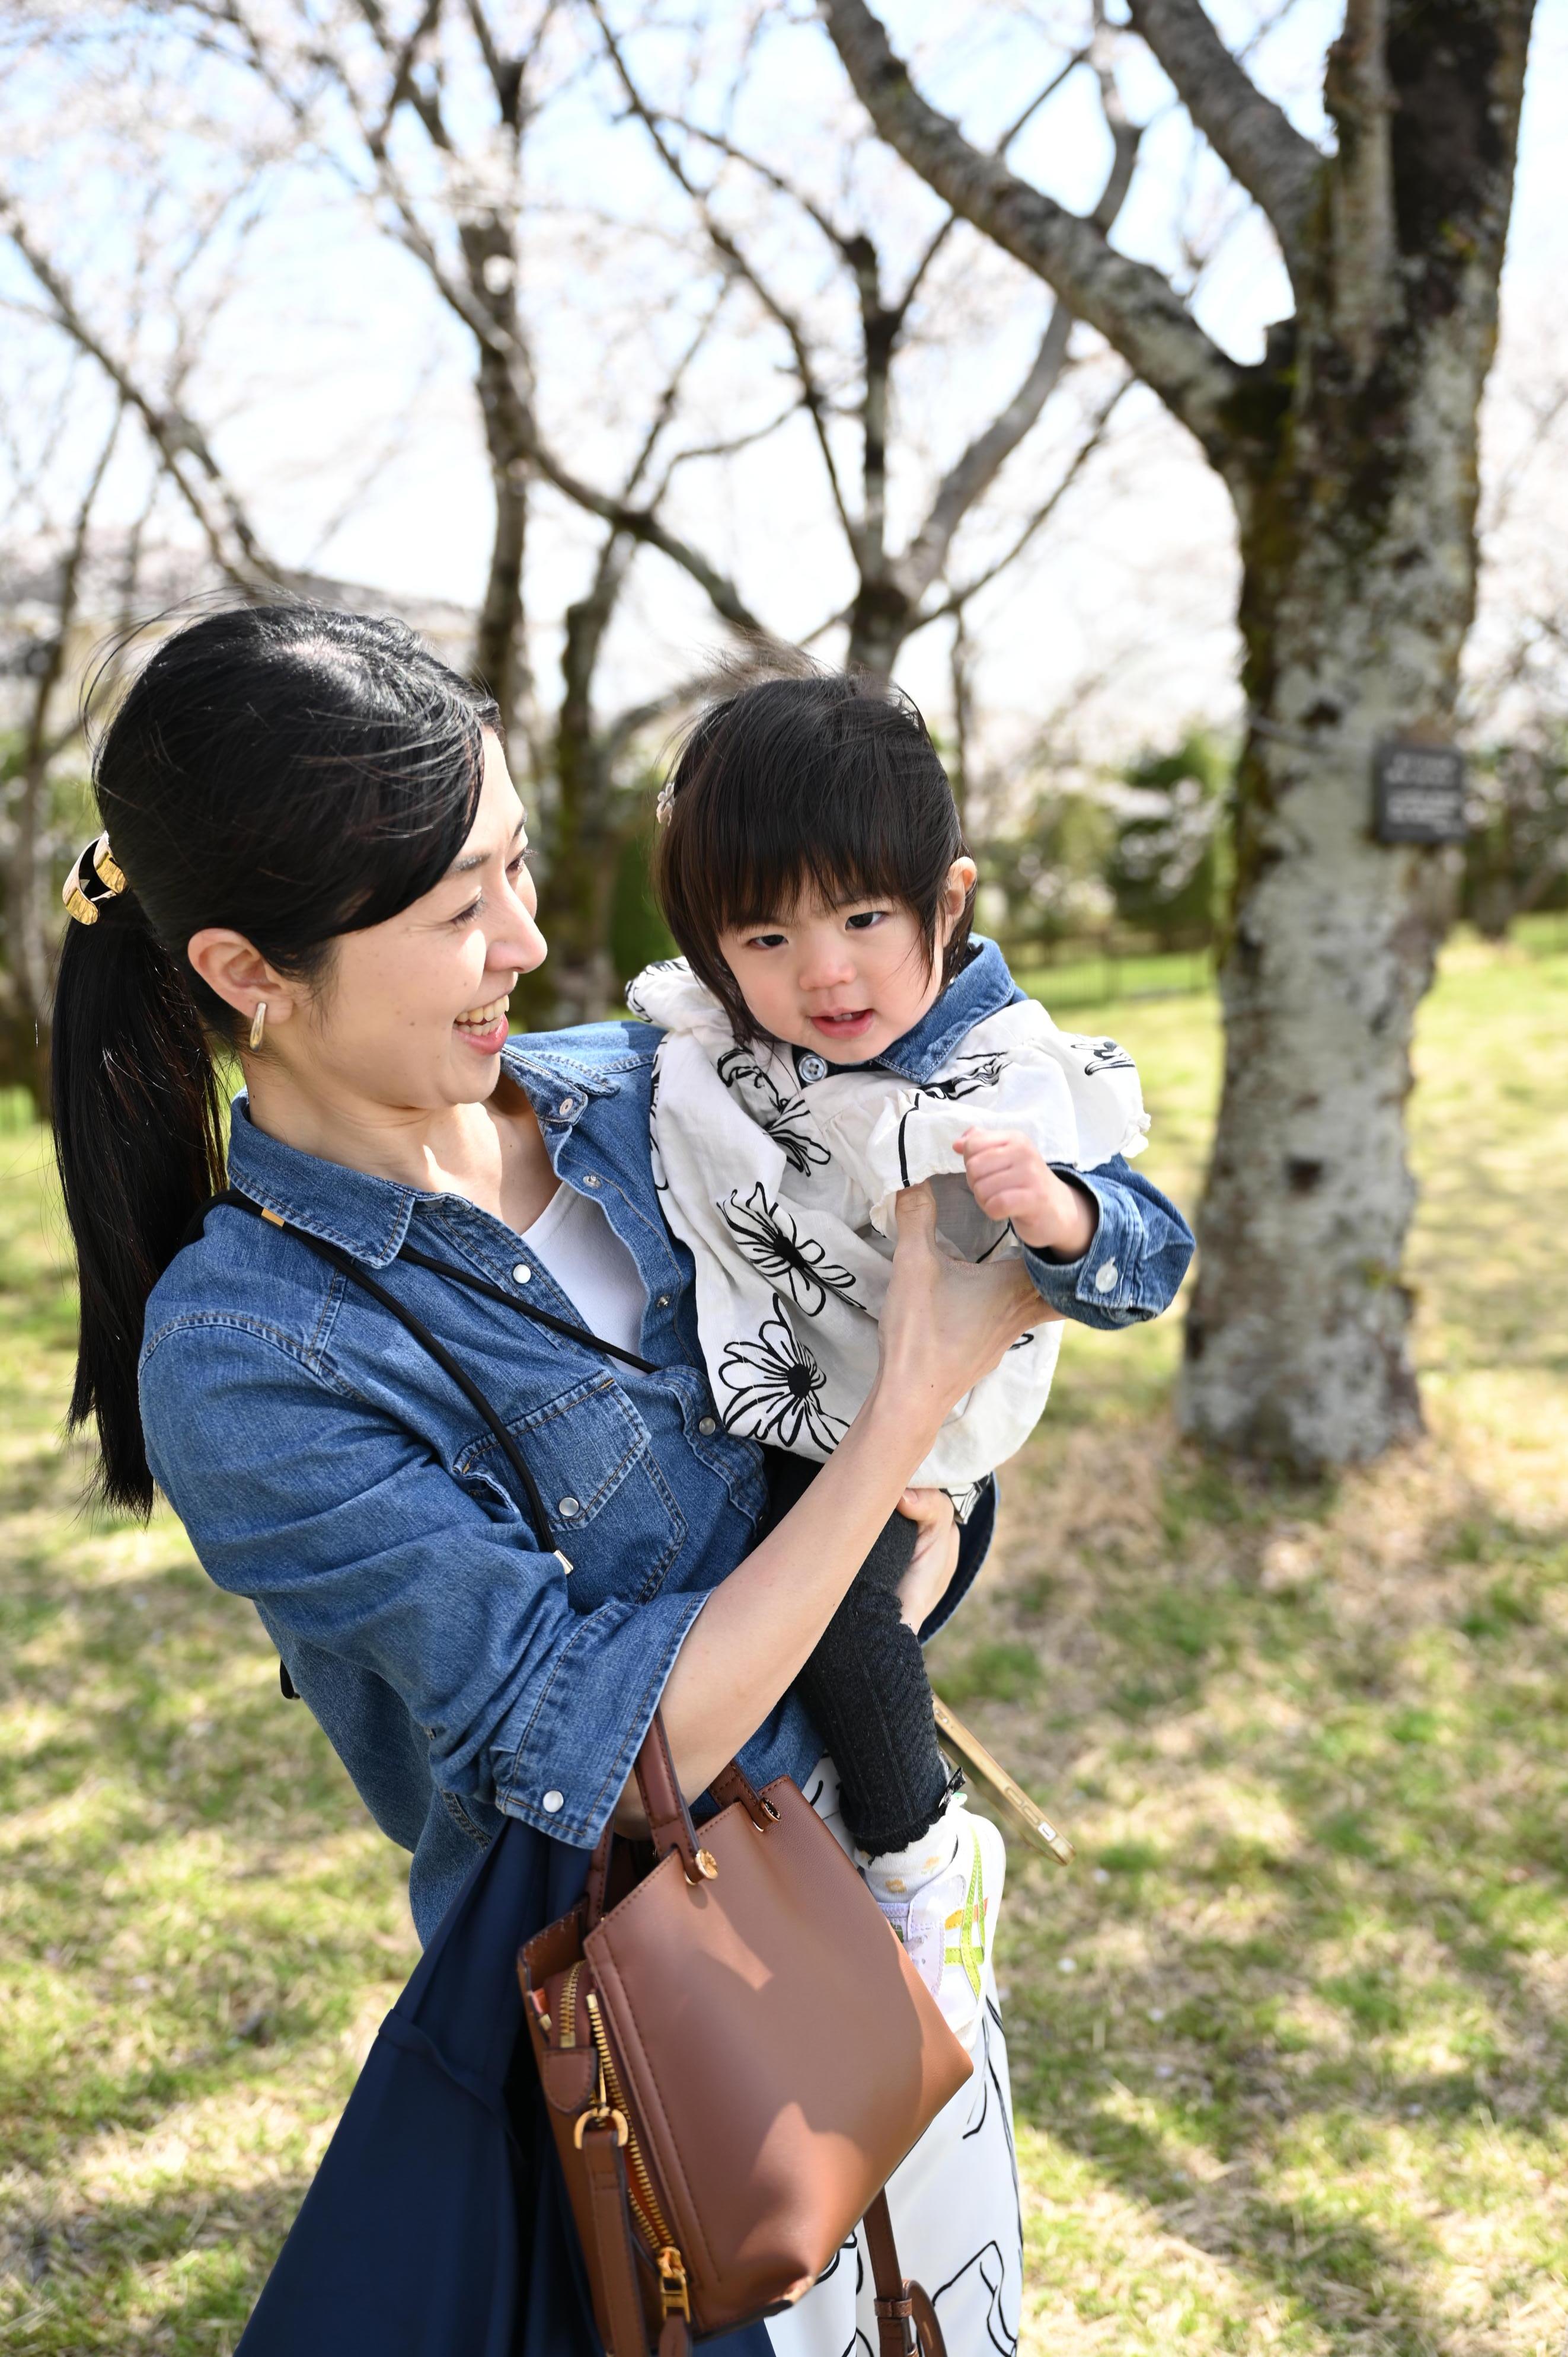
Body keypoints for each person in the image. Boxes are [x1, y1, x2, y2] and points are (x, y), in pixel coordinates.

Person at [49, 603, 1081, 2356]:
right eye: (458, 911)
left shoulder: (654, 1096)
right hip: (679, 2045)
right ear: (247, 972)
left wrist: (899, 1552)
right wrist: (907, 1407)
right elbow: (617, 1748)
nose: (525, 940)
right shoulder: (251, 1353)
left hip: (898, 1918)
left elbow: (914, 1508)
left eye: (514, 870)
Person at [630, 664, 1195, 2045]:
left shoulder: (1001, 1069)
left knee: (835, 1612)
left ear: (948, 899)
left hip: (917, 1450)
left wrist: (1056, 1211)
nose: (823, 973)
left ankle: (926, 1861)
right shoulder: (716, 1047)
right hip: (792, 1424)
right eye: (763, 936)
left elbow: (1152, 1256)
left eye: (865, 917)